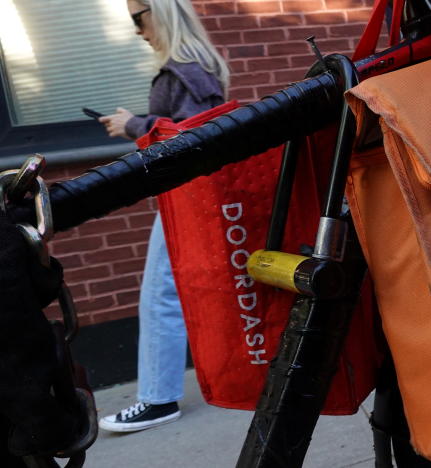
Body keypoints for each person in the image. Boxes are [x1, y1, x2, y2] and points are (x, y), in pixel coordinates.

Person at [97, 0, 229, 432]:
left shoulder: (183, 69)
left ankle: (157, 400)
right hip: (195, 194)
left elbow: (191, 139)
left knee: (160, 293)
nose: (136, 29)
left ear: (161, 13)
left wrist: (135, 125)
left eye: (138, 18)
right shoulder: (199, 64)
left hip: (185, 196)